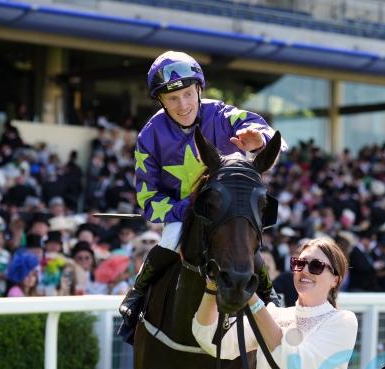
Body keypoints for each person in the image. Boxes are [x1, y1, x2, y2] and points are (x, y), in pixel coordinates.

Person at [119, 50, 286, 338]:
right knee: (170, 238)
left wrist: (259, 140)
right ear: (160, 100)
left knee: (246, 242)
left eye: (187, 94)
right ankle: (136, 295)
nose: (183, 105)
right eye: (172, 98)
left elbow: (261, 129)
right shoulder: (149, 135)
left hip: (228, 210)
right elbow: (148, 200)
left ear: (199, 89)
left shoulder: (221, 114)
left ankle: (270, 296)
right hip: (183, 212)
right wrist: (187, 209)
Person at [193, 238, 357, 369]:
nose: (304, 270)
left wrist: (253, 300)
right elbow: (214, 341)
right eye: (299, 263)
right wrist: (211, 286)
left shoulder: (343, 321)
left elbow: (296, 364)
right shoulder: (274, 315)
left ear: (335, 279)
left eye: (316, 266)